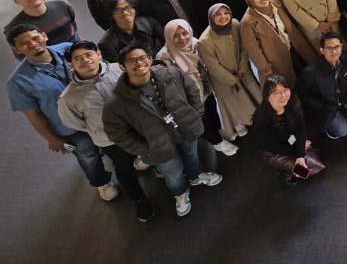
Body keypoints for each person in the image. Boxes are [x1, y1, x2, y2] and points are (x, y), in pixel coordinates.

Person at [103, 43, 223, 218]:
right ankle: (180, 193)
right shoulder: (117, 102)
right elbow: (117, 133)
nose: (139, 63)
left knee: (192, 155)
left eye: (143, 58)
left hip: (185, 129)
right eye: (132, 61)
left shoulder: (170, 74)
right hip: (156, 145)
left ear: (150, 59)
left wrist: (195, 115)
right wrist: (144, 149)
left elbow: (192, 91)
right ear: (122, 66)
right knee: (172, 173)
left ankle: (196, 177)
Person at [6, 25, 118, 201]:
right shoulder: (18, 82)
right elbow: (33, 114)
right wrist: (51, 138)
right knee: (88, 155)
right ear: (16, 49)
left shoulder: (67, 50)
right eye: (25, 43)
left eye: (35, 38)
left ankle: (123, 161)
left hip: (97, 112)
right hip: (69, 127)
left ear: (44, 35)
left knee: (112, 142)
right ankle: (101, 182)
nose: (33, 44)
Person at [59, 41, 154, 221]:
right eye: (77, 58)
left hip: (138, 126)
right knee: (124, 168)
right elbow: (75, 123)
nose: (85, 60)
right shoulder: (69, 97)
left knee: (149, 150)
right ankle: (139, 199)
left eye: (88, 54)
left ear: (99, 54)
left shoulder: (119, 69)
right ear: (71, 64)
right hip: (110, 139)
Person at [157, 19, 238, 156]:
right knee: (202, 117)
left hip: (205, 86)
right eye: (175, 36)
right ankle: (217, 142)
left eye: (184, 33)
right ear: (168, 37)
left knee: (212, 109)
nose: (182, 38)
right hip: (189, 95)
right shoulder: (165, 56)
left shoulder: (195, 43)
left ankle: (219, 130)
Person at [197, 4, 261, 142]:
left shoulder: (235, 24)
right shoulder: (204, 41)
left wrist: (243, 67)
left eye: (226, 13)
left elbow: (244, 47)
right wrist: (232, 78)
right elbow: (213, 67)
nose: (223, 17)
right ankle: (241, 125)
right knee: (236, 105)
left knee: (255, 98)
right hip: (224, 80)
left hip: (243, 72)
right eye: (218, 14)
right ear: (211, 18)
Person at [239, 0, 318, 87]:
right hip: (277, 60)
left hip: (296, 49)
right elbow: (253, 50)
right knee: (292, 87)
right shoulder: (247, 23)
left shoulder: (277, 4)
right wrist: (265, 69)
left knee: (311, 79)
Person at [251, 75, 325, 185]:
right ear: (267, 97)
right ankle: (284, 171)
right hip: (275, 153)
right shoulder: (261, 121)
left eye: (285, 90)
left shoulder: (293, 101)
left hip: (292, 140)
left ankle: (295, 164)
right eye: (276, 92)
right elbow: (274, 147)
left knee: (315, 158)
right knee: (304, 172)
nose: (283, 96)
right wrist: (299, 150)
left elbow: (301, 127)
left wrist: (300, 154)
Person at [298, 32, 347, 139]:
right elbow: (303, 94)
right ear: (322, 50)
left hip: (346, 101)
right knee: (344, 130)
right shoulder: (310, 72)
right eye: (329, 48)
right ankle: (332, 128)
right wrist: (321, 105)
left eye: (337, 47)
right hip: (328, 107)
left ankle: (342, 117)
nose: (334, 51)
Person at [5, 0, 79, 51]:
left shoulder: (62, 4)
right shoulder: (13, 28)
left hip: (76, 48)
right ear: (15, 0)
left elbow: (73, 25)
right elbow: (21, 54)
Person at [97, 0, 164, 63]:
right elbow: (117, 68)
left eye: (128, 7)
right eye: (118, 10)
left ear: (134, 9)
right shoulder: (107, 43)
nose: (125, 13)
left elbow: (167, 42)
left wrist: (153, 55)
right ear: (111, 15)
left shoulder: (148, 22)